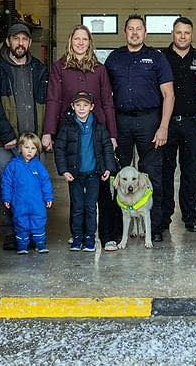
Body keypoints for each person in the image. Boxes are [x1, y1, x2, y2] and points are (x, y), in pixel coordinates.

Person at [41, 25, 119, 250]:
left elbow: (107, 102)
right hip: (71, 131)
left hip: (97, 133)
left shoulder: (99, 69)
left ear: (90, 42)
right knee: (75, 188)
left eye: (85, 39)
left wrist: (112, 134)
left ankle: (105, 235)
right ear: (70, 40)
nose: (81, 42)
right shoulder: (60, 68)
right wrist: (49, 131)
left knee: (102, 186)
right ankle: (78, 233)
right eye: (77, 38)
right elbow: (53, 99)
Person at [105, 15, 175, 244]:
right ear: (124, 32)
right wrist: (110, 130)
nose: (135, 33)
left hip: (150, 121)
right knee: (117, 175)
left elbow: (168, 94)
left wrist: (163, 126)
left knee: (152, 174)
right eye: (131, 29)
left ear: (145, 33)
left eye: (139, 29)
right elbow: (105, 97)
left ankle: (154, 227)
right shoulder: (114, 59)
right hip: (121, 121)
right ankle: (116, 229)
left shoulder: (156, 58)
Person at [0, 23, 48, 250]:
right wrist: (7, 134)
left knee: (32, 190)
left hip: (32, 143)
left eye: (24, 39)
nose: (20, 43)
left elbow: (47, 103)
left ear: (29, 43)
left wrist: (45, 135)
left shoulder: (39, 69)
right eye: (16, 39)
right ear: (8, 41)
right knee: (8, 188)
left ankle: (32, 233)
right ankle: (12, 234)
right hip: (4, 142)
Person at [53, 91, 118, 252]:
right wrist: (63, 170)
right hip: (75, 174)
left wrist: (108, 168)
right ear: (73, 107)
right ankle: (77, 237)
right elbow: (59, 149)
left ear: (91, 107)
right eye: (78, 105)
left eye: (85, 105)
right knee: (77, 206)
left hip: (94, 174)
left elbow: (107, 149)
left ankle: (89, 237)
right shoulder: (67, 128)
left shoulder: (99, 128)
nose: (82, 109)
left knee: (90, 207)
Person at [161, 17, 196, 233]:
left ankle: (191, 217)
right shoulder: (161, 57)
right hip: (167, 124)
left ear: (192, 34)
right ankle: (163, 219)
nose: (183, 36)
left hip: (192, 124)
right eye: (179, 32)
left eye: (187, 33)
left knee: (191, 172)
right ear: (173, 33)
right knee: (165, 172)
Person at [0, 132, 53, 254]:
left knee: (39, 222)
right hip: (19, 202)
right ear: (20, 148)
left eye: (33, 148)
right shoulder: (13, 165)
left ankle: (40, 244)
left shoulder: (38, 166)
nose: (29, 151)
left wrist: (48, 197)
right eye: (26, 147)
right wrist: (7, 198)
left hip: (37, 203)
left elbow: (46, 182)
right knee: (20, 222)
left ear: (37, 151)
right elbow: (6, 182)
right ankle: (22, 246)